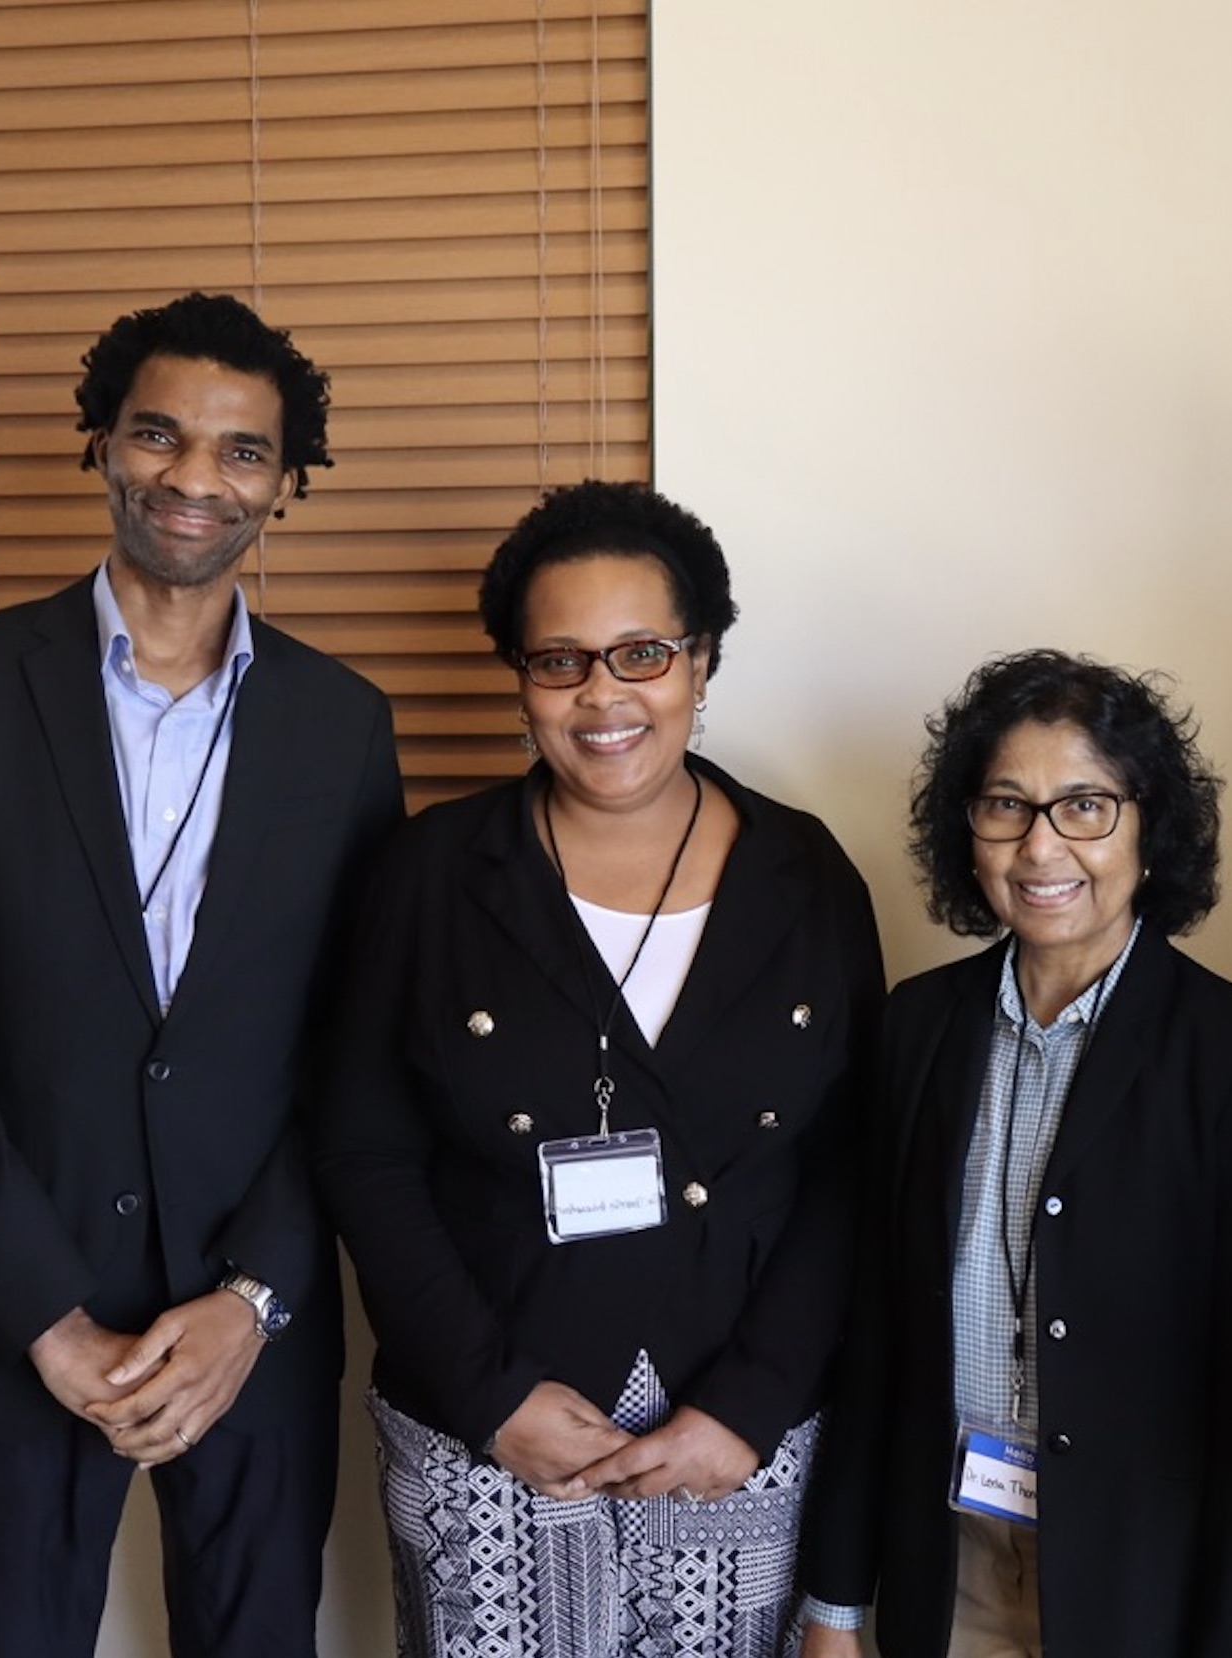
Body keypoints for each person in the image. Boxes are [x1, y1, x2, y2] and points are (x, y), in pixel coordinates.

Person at [0, 291, 405, 1656]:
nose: (192, 477)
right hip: (12, 1314)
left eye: (240, 451)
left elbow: (356, 1044)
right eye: (159, 433)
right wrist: (47, 1321)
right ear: (102, 441)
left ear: (286, 484)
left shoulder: (342, 725)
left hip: (249, 1333)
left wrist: (256, 1299)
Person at [311, 478, 885, 1657]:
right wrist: (488, 1395)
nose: (603, 694)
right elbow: (364, 1156)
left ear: (702, 661)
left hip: (732, 1437)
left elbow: (848, 1165)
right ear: (520, 679)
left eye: (642, 652)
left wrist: (753, 1402)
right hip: (491, 1436)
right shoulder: (428, 874)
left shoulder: (808, 874)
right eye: (560, 660)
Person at [801, 649, 1232, 1658]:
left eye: (1084, 805)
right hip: (946, 1559)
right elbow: (874, 1330)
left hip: (1144, 1580)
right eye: (1007, 805)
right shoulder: (917, 1027)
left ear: (1149, 827)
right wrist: (835, 1603)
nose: (1041, 847)